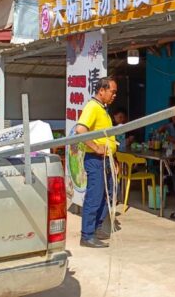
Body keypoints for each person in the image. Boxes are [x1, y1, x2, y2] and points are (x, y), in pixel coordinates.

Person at [76, 77, 118, 248]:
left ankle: (97, 228)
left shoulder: (103, 109)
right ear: (102, 90)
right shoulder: (92, 107)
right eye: (112, 92)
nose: (114, 95)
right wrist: (96, 148)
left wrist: (112, 158)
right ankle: (87, 235)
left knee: (106, 194)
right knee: (94, 197)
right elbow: (80, 130)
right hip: (96, 160)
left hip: (105, 160)